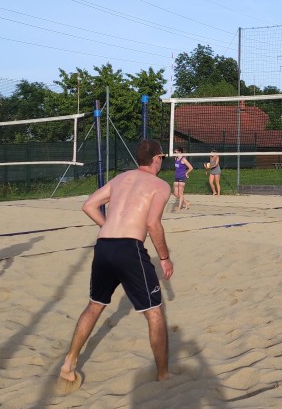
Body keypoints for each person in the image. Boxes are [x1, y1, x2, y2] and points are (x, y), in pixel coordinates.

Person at [59, 139, 174, 388]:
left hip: (104, 245)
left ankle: (69, 363)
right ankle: (163, 375)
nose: (162, 161)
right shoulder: (160, 186)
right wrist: (164, 257)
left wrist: (108, 226)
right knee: (154, 313)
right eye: (161, 158)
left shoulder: (121, 179)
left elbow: (88, 205)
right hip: (129, 248)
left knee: (94, 306)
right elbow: (153, 224)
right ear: (156, 159)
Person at [172, 146, 194, 211]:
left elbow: (191, 167)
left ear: (179, 152)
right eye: (174, 152)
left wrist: (186, 173)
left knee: (180, 193)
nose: (174, 153)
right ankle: (186, 202)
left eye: (175, 152)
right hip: (176, 177)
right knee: (175, 194)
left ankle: (179, 207)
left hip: (182, 177)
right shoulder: (176, 158)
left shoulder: (183, 159)